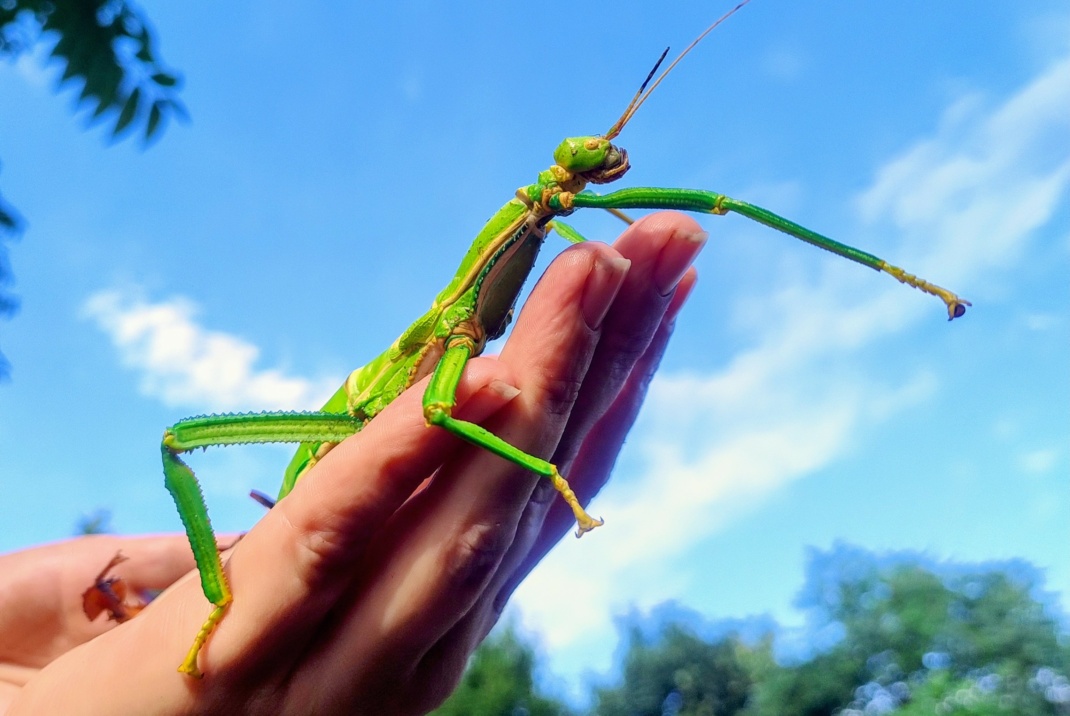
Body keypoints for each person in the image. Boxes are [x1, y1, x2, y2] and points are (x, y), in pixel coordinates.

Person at [1, 213, 705, 715]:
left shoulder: (539, 225)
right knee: (178, 440)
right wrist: (549, 474)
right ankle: (217, 603)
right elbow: (437, 408)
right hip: (345, 422)